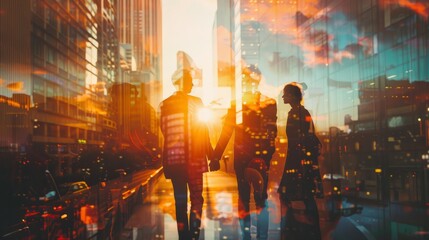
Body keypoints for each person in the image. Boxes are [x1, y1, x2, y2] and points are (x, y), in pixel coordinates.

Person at [214, 65, 277, 240]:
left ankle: (248, 236)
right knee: (260, 199)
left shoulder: (237, 106)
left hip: (244, 159)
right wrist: (266, 156)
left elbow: (226, 132)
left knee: (245, 199)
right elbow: (272, 134)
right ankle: (260, 237)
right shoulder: (269, 103)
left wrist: (215, 156)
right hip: (259, 159)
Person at [159, 68, 216, 240]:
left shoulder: (165, 104)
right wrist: (212, 155)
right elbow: (202, 130)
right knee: (197, 200)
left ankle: (183, 237)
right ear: (184, 82)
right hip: (195, 159)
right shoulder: (196, 102)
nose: (192, 84)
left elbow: (165, 133)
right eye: (191, 81)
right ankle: (195, 236)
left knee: (180, 202)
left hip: (175, 161)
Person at [278, 82, 323, 240]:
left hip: (297, 162)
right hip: (302, 162)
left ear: (291, 96)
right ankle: (308, 231)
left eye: (285, 94)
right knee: (304, 196)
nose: (283, 96)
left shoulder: (296, 113)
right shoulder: (300, 112)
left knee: (294, 195)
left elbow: (299, 142)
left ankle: (293, 231)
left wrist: (296, 165)